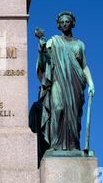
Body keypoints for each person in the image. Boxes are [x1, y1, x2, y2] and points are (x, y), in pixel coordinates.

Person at [36, 11, 95, 153]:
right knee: (58, 108)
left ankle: (73, 146)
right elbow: (44, 63)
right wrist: (42, 48)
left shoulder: (80, 44)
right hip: (57, 80)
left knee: (73, 116)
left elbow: (84, 66)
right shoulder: (53, 41)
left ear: (72, 23)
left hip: (75, 83)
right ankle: (54, 145)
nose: (64, 24)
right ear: (58, 25)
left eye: (66, 21)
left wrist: (91, 83)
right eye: (61, 22)